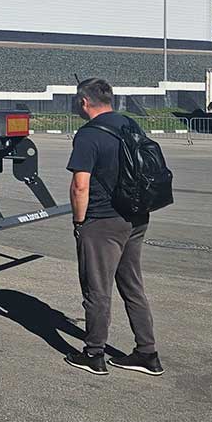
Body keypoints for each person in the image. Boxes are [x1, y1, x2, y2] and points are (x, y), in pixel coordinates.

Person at [64, 77, 163, 377]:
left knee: (97, 289)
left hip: (102, 221)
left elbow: (80, 186)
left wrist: (79, 222)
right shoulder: (130, 125)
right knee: (132, 286)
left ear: (83, 102)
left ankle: (94, 353)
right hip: (136, 216)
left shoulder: (88, 135)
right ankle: (147, 353)